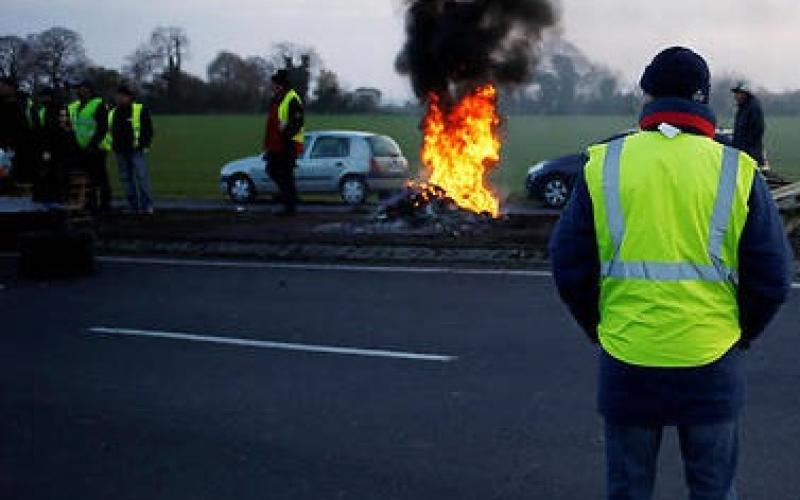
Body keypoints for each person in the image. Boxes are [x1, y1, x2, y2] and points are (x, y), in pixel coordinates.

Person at [549, 47, 794, 500]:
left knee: (628, 490)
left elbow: (567, 266)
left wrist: (600, 328)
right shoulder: (735, 170)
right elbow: (774, 280)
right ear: (704, 98)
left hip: (628, 359)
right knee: (714, 490)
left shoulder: (604, 164)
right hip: (711, 362)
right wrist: (739, 333)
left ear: (647, 95)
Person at [105, 84, 154, 214]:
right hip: (120, 151)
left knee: (142, 178)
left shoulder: (139, 109)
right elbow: (110, 131)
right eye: (118, 96)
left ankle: (146, 205)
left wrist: (145, 145)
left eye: (122, 96)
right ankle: (133, 205)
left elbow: (148, 129)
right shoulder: (112, 113)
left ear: (129, 97)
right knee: (126, 180)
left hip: (136, 150)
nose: (119, 98)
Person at [263, 69, 304, 216]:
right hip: (275, 144)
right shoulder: (276, 98)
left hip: (287, 145)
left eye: (274, 83)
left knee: (285, 174)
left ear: (280, 84)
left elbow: (297, 122)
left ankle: (290, 205)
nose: (272, 86)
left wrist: (286, 131)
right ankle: (289, 197)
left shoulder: (292, 98)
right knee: (273, 171)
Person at [68, 80, 110, 213]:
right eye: (78, 89)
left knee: (100, 177)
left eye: (81, 89)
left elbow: (102, 126)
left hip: (96, 148)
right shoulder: (76, 106)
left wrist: (93, 144)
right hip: (81, 147)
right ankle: (90, 202)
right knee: (88, 178)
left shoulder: (98, 104)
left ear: (88, 90)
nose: (79, 92)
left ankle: (104, 204)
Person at [31, 87, 77, 205]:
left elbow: (64, 127)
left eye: (44, 96)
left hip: (59, 147)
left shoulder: (60, 108)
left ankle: (61, 196)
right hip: (45, 146)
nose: (42, 99)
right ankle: (47, 196)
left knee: (60, 172)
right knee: (46, 171)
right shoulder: (41, 109)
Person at [0, 77, 34, 186]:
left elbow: (30, 120)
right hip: (3, 140)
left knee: (18, 164)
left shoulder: (24, 101)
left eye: (3, 85)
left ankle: (20, 182)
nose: (1, 88)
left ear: (12, 88)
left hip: (22, 139)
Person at [731, 81, 766, 168]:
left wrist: (747, 146)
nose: (735, 96)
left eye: (738, 93)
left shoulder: (753, 107)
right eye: (735, 93)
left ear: (745, 94)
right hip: (742, 152)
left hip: (750, 154)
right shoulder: (742, 107)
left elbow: (759, 128)